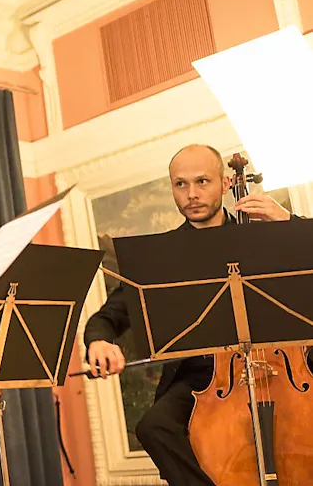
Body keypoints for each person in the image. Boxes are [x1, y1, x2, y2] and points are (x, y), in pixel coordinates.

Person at [83, 143, 296, 486]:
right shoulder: (161, 256)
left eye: (202, 181)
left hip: (277, 368)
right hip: (204, 378)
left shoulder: (263, 235)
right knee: (154, 427)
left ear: (226, 183)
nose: (192, 194)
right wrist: (99, 342)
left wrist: (290, 224)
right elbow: (108, 317)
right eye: (180, 184)